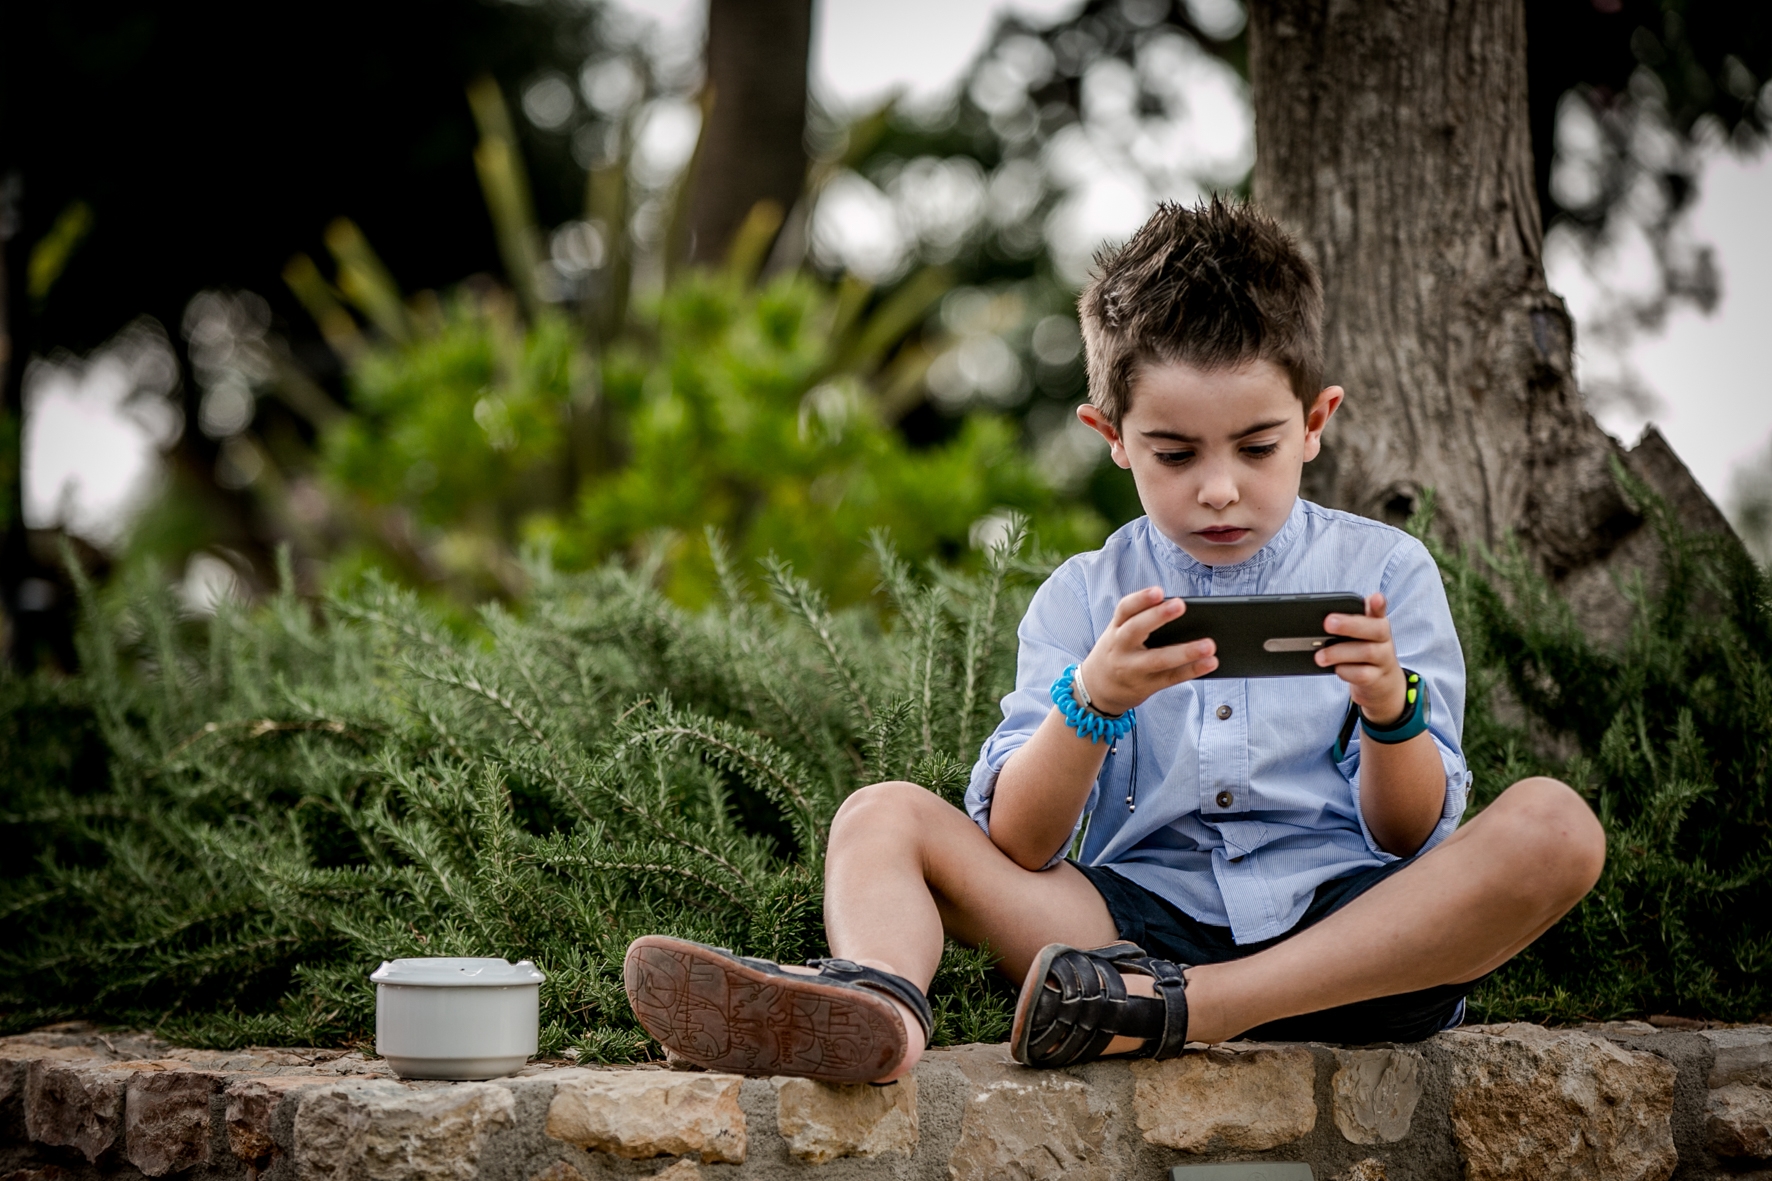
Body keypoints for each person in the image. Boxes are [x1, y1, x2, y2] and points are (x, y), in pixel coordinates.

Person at [622, 198, 1606, 1084]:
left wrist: (1389, 713)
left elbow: (1406, 837)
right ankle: (876, 1008)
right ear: (1111, 435)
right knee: (878, 815)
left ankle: (1193, 1011)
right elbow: (1020, 843)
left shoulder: (1386, 573)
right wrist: (1089, 701)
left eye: (1255, 447)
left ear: (1313, 422)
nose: (1216, 487)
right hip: (1124, 937)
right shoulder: (1080, 596)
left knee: (1556, 826)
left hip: (1350, 941)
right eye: (1174, 454)